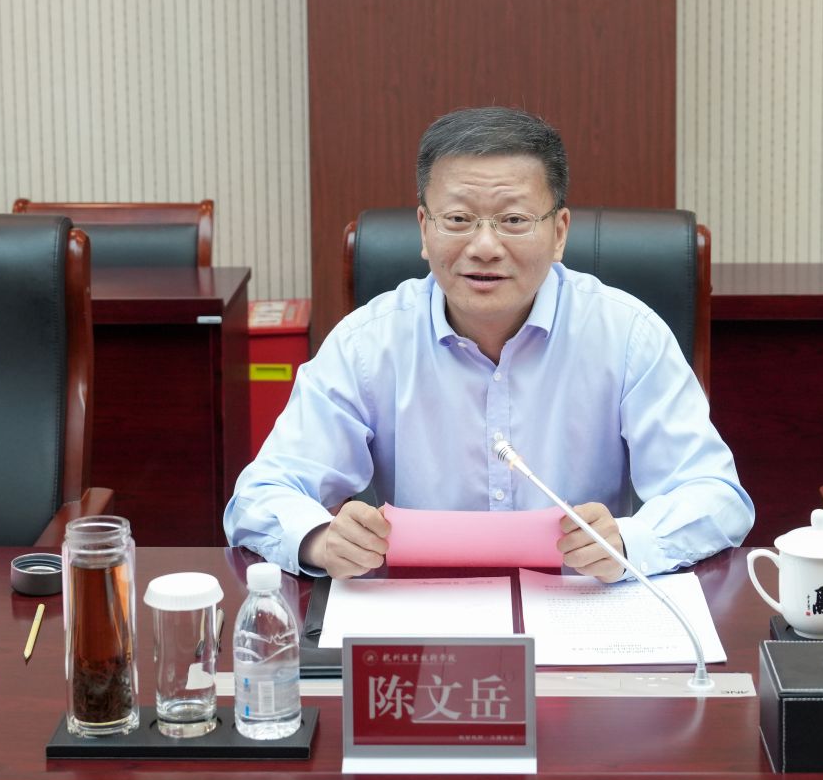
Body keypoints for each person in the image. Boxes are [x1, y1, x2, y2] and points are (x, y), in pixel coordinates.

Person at [225, 106, 752, 582]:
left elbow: (715, 494)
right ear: (425, 229)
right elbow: (260, 494)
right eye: (458, 220)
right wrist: (320, 539)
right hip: (423, 617)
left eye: (514, 221)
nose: (483, 246)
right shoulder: (367, 343)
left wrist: (629, 541)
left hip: (579, 609)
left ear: (560, 232)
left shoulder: (628, 335)